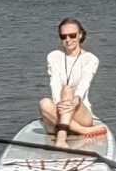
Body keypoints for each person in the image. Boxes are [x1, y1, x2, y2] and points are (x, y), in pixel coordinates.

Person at [38, 18, 103, 148]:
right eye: (63, 36)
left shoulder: (90, 59)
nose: (68, 40)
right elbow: (54, 82)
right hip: (60, 112)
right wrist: (58, 103)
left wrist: (76, 99)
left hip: (80, 113)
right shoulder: (53, 56)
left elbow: (85, 83)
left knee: (68, 90)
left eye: (72, 35)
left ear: (80, 35)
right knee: (44, 103)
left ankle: (61, 138)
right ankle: (83, 131)